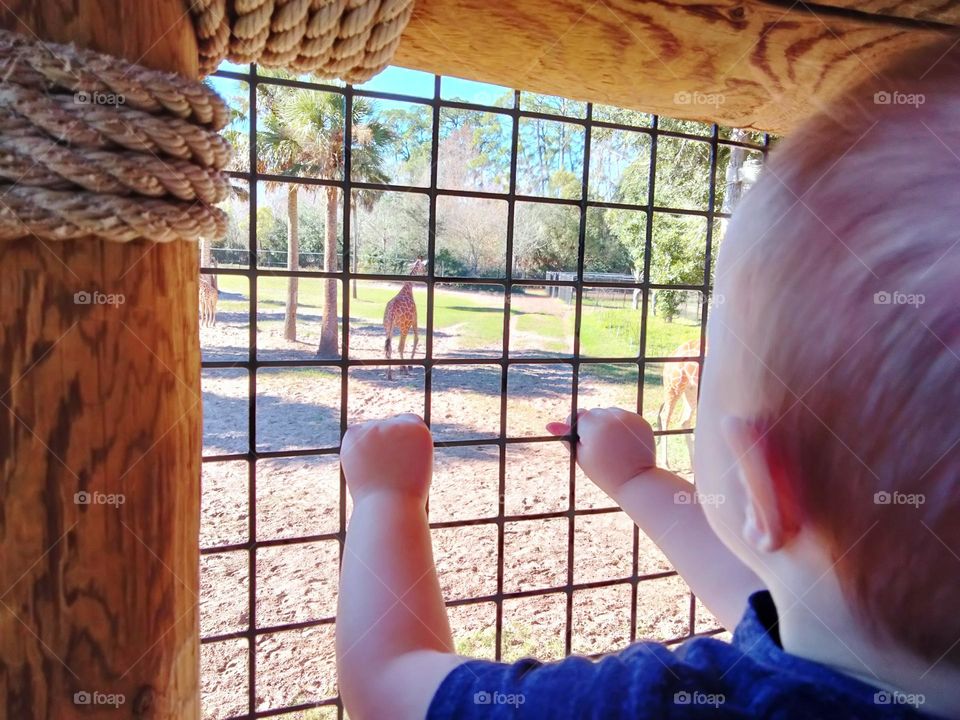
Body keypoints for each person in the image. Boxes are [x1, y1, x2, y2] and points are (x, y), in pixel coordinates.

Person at [335, 39, 960, 719]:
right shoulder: (867, 648)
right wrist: (638, 480)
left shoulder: (652, 707)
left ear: (764, 480)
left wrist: (385, 498)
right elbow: (777, 586)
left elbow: (384, 682)